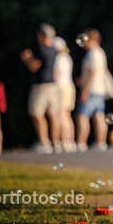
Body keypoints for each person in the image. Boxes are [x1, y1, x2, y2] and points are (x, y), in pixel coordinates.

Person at [20, 25, 62, 153]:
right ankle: (56, 142)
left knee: (36, 113)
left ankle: (44, 142)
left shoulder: (41, 49)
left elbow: (34, 66)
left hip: (42, 85)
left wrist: (27, 59)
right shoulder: (54, 49)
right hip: (53, 85)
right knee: (53, 114)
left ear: (42, 36)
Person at [76, 29, 113, 151]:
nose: (84, 43)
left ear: (92, 39)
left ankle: (81, 143)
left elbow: (92, 72)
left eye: (86, 40)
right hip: (100, 89)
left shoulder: (92, 53)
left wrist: (85, 89)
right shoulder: (100, 52)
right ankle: (101, 142)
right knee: (99, 116)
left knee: (82, 116)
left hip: (92, 89)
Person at [53, 37, 77, 152]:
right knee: (67, 115)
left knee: (61, 114)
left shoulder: (58, 58)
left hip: (61, 88)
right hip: (69, 86)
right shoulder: (67, 57)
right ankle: (69, 140)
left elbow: (55, 74)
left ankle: (65, 141)